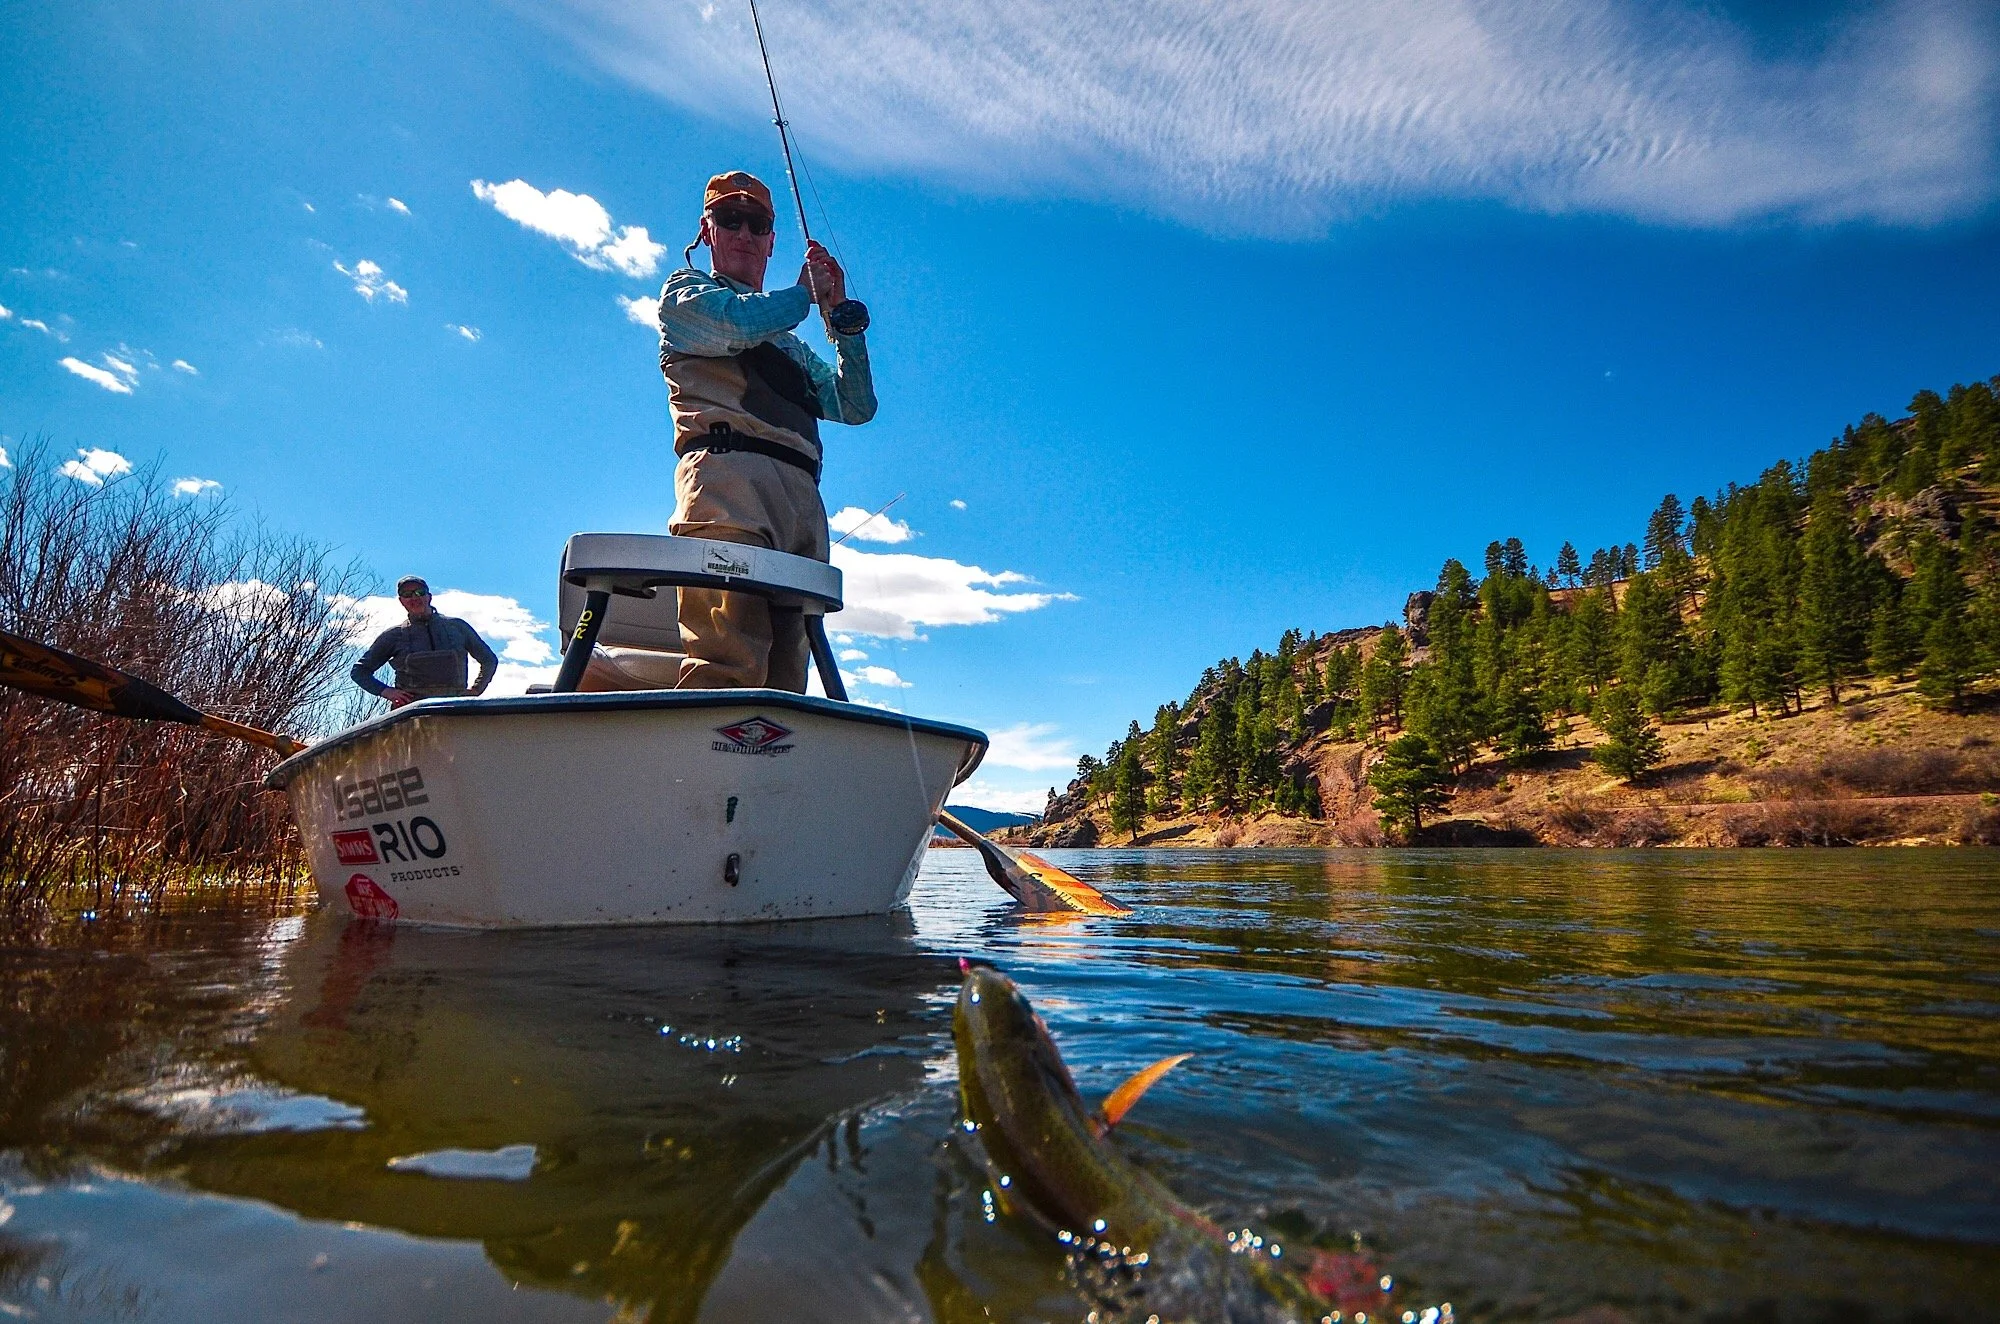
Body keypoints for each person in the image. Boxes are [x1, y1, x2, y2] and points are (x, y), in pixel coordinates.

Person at [651, 170, 876, 691]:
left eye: (757, 224)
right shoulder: (686, 294)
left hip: (802, 503)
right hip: (727, 487)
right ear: (707, 232)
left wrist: (841, 321)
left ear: (771, 241)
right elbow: (733, 323)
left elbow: (855, 405)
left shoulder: (790, 344)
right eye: (730, 220)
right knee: (726, 660)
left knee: (788, 674)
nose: (745, 234)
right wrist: (801, 296)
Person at [351, 576, 497, 707]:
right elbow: (359, 671)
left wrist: (476, 690)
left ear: (429, 597)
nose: (415, 598)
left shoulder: (457, 627)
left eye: (419, 592)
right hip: (411, 715)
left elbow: (489, 660)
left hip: (455, 710)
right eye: (407, 594)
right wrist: (387, 691)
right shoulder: (393, 635)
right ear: (401, 601)